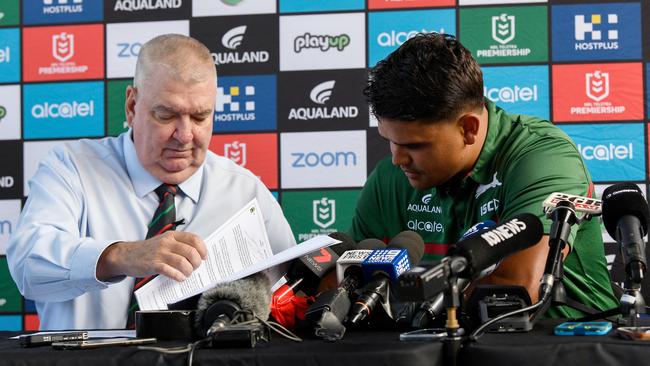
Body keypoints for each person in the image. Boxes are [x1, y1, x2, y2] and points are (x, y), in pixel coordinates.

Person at [7, 34, 296, 330]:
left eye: (199, 117)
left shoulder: (245, 191)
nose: (184, 135)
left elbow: (293, 295)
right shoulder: (72, 167)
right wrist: (121, 255)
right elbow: (28, 266)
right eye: (166, 114)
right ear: (132, 107)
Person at [349, 33, 617, 317]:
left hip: (565, 348)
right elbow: (347, 286)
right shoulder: (390, 176)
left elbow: (512, 291)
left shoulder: (543, 155)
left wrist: (408, 302)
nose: (397, 158)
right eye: (390, 140)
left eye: (414, 145)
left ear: (468, 129)